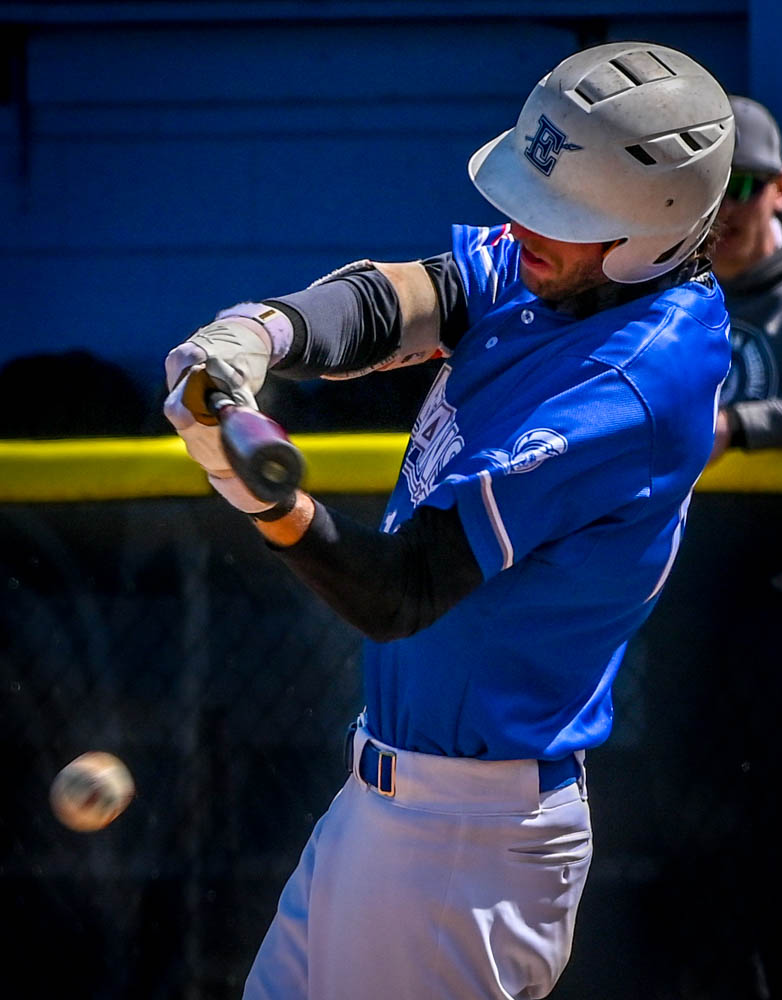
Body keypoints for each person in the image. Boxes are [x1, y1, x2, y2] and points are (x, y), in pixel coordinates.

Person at [163, 41, 733, 1000]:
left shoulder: (635, 380)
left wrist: (268, 501)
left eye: (561, 216)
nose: (524, 227)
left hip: (463, 849)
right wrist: (261, 334)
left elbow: (402, 591)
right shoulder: (575, 274)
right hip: (389, 806)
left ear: (656, 234)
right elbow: (408, 296)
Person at [710, 94, 782, 460]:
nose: (723, 209)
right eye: (708, 188)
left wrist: (735, 425)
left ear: (780, 190)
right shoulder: (653, 292)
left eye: (740, 186)